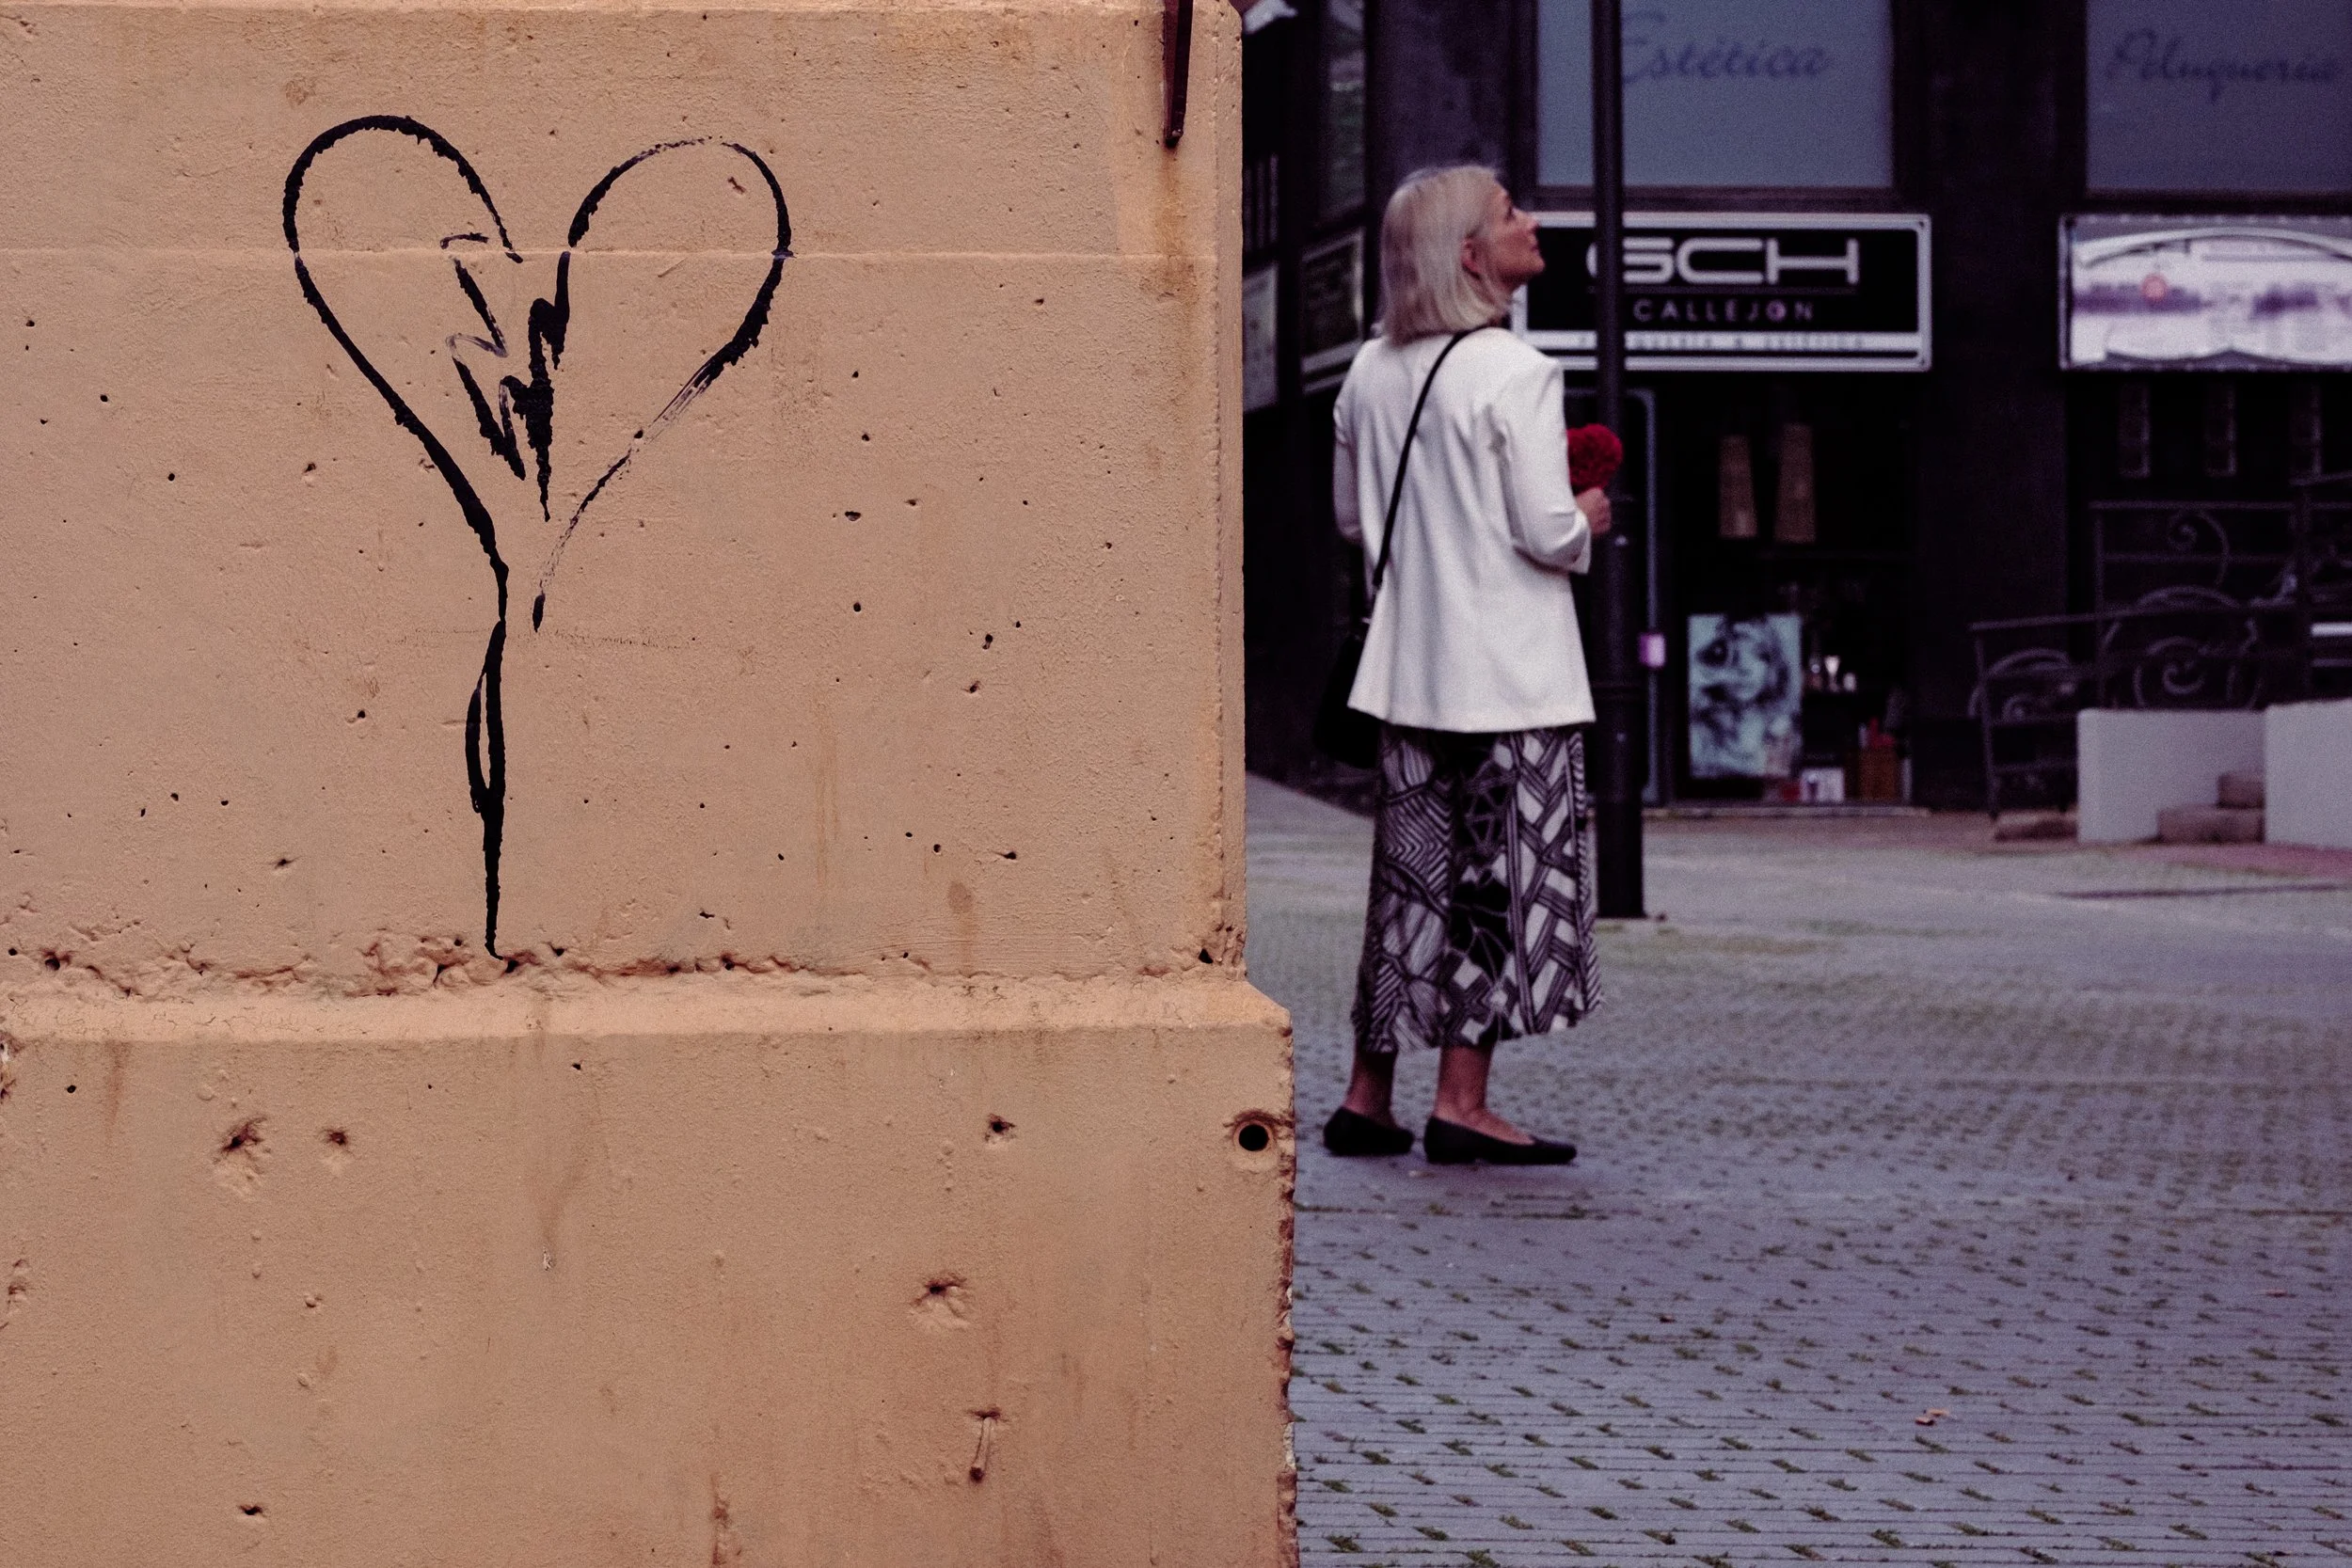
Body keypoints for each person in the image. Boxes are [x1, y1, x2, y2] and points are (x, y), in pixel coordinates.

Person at [1323, 165, 1612, 1166]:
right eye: (1508, 213)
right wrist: (1587, 519)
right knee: (1498, 887)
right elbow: (1543, 530)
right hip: (1513, 682)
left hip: (1407, 677)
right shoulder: (1514, 371)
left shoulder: (1369, 371)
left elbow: (1353, 520)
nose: (1530, 221)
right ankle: (1463, 1101)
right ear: (1468, 254)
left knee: (1410, 882)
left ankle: (1368, 1094)